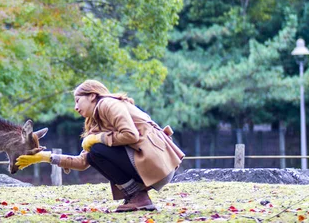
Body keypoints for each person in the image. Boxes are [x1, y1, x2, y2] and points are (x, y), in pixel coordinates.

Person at [16, 79, 184, 212]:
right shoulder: (96, 122)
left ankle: (139, 197)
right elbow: (83, 162)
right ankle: (137, 197)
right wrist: (45, 157)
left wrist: (100, 138)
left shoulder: (108, 104)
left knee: (96, 149)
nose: (75, 107)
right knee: (93, 153)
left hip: (158, 163)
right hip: (150, 165)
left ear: (92, 96)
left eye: (77, 100)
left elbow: (130, 135)